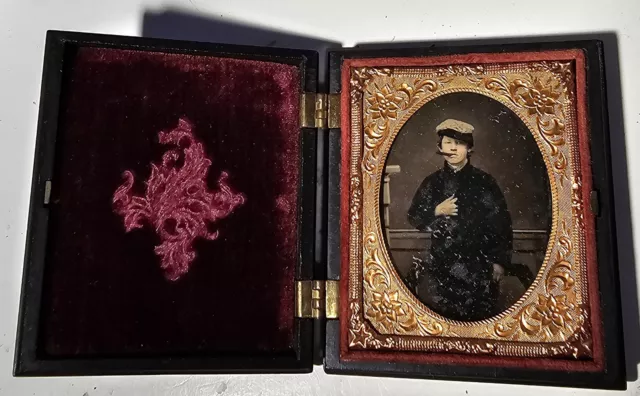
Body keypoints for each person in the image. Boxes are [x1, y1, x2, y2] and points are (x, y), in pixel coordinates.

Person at [406, 119, 512, 321]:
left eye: (459, 143)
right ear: (440, 147)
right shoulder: (432, 182)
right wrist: (436, 210)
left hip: (479, 268)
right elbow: (414, 216)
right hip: (441, 269)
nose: (453, 148)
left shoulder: (484, 182)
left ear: (469, 148)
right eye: (447, 142)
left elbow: (501, 223)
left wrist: (499, 262)